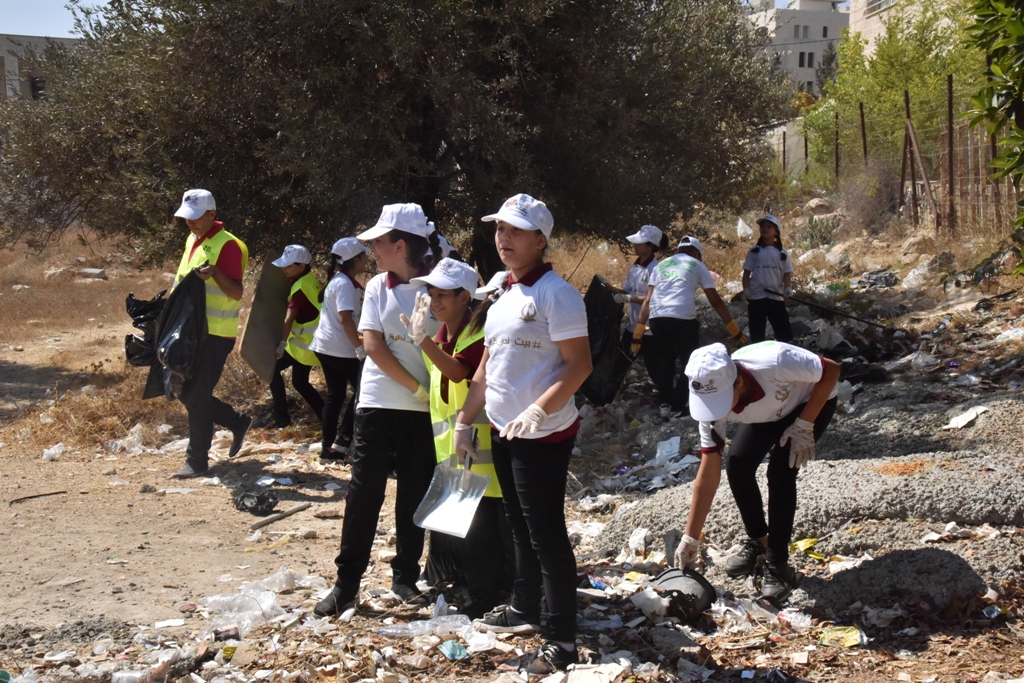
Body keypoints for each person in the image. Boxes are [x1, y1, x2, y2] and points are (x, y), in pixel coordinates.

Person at [454, 194, 592, 675]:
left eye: (515, 231)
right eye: (499, 230)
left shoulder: (557, 293)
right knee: (518, 525)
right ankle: (523, 607)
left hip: (544, 433)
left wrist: (538, 409)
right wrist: (464, 420)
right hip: (503, 429)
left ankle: (560, 638)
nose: (504, 239)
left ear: (540, 239)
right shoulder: (502, 296)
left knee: (546, 533)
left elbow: (579, 364)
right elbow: (488, 369)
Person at [314, 203, 442, 616]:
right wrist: (416, 387)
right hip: (378, 405)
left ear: (400, 245)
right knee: (364, 494)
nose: (372, 249)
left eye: (379, 242)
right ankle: (346, 584)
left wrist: (429, 393)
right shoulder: (375, 288)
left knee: (413, 496)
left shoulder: (438, 287)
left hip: (424, 414)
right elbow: (373, 346)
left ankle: (405, 576)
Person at [675, 341, 840, 606]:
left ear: (738, 382)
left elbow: (831, 371)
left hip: (807, 403)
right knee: (738, 465)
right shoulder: (712, 405)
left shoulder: (775, 360)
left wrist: (804, 424)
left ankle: (778, 565)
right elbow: (708, 470)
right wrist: (690, 537)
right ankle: (759, 542)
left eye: (721, 402)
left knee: (780, 472)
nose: (719, 413)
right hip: (765, 415)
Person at [404, 257, 513, 619]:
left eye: (442, 295)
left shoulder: (475, 333)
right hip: (457, 446)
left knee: (487, 525)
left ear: (465, 297)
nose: (434, 302)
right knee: (473, 524)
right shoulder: (446, 333)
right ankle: (475, 584)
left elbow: (457, 370)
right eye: (430, 294)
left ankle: (491, 591)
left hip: (479, 446)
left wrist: (420, 341)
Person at [168, 189, 252, 479]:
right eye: (186, 217)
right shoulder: (192, 239)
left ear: (212, 214)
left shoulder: (230, 246)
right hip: (190, 333)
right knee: (186, 392)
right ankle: (236, 421)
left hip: (216, 334)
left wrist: (216, 273)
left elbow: (237, 292)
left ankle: (197, 460)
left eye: (194, 218)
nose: (189, 223)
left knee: (196, 394)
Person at [637, 236, 748, 416]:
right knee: (690, 361)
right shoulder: (697, 265)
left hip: (657, 318)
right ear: (697, 253)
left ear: (677, 251)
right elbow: (715, 301)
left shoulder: (660, 265)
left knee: (666, 360)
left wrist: (639, 329)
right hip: (682, 318)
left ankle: (665, 403)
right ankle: (680, 405)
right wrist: (733, 329)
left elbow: (648, 300)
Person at [310, 237, 368, 461]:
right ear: (354, 260)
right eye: (362, 256)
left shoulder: (338, 280)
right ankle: (343, 438)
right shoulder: (344, 283)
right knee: (362, 391)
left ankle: (328, 449)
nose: (366, 259)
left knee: (336, 395)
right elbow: (346, 319)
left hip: (326, 346)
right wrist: (359, 348)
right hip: (339, 348)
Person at [260, 245, 326, 428]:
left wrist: (281, 343)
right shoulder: (309, 280)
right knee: (300, 382)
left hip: (303, 347)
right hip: (311, 344)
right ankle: (326, 417)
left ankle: (281, 416)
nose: (284, 269)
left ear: (301, 266)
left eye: (288, 266)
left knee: (271, 369)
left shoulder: (299, 288)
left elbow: (289, 319)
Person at [611, 224, 667, 387]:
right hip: (631, 327)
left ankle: (668, 401)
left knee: (654, 367)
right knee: (619, 364)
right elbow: (628, 291)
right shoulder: (634, 267)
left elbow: (653, 298)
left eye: (639, 243)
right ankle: (606, 398)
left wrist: (628, 298)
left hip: (649, 330)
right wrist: (611, 289)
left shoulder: (656, 269)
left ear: (650, 246)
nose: (634, 246)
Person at [742, 215, 794, 343]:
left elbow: (787, 273)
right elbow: (746, 273)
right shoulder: (754, 251)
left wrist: (787, 288)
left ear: (775, 232)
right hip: (757, 296)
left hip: (775, 295)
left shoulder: (782, 253)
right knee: (757, 331)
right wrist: (746, 289)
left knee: (783, 330)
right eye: (762, 227)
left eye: (769, 227)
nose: (765, 229)